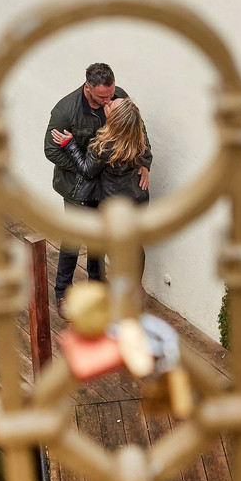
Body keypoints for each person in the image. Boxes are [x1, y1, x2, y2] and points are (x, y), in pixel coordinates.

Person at [44, 63, 150, 314]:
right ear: (88, 87)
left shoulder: (119, 100)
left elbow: (141, 132)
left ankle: (100, 289)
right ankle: (63, 294)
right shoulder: (65, 110)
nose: (108, 101)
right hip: (78, 189)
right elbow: (50, 150)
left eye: (111, 96)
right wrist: (85, 168)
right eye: (102, 97)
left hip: (106, 192)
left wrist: (144, 164)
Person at [51, 97, 150, 281]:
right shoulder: (136, 137)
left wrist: (70, 144)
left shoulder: (106, 146)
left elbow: (87, 170)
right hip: (137, 199)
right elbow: (146, 154)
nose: (108, 102)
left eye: (111, 105)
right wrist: (145, 166)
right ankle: (135, 286)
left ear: (114, 119)